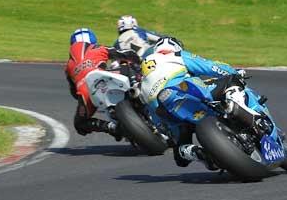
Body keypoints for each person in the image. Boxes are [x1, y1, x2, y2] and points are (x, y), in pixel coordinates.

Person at [138, 37, 248, 169]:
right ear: (177, 47)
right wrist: (235, 72)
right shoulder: (177, 55)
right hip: (183, 90)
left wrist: (169, 132)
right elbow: (211, 67)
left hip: (166, 109)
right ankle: (234, 109)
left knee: (180, 156)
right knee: (231, 81)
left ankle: (196, 152)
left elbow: (157, 120)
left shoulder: (143, 80)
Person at [65, 28, 141, 139]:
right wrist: (139, 62)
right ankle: (137, 87)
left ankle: (110, 126)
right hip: (109, 77)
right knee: (126, 62)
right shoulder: (98, 48)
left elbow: (74, 93)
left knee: (79, 124)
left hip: (87, 91)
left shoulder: (68, 67)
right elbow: (126, 54)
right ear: (92, 41)